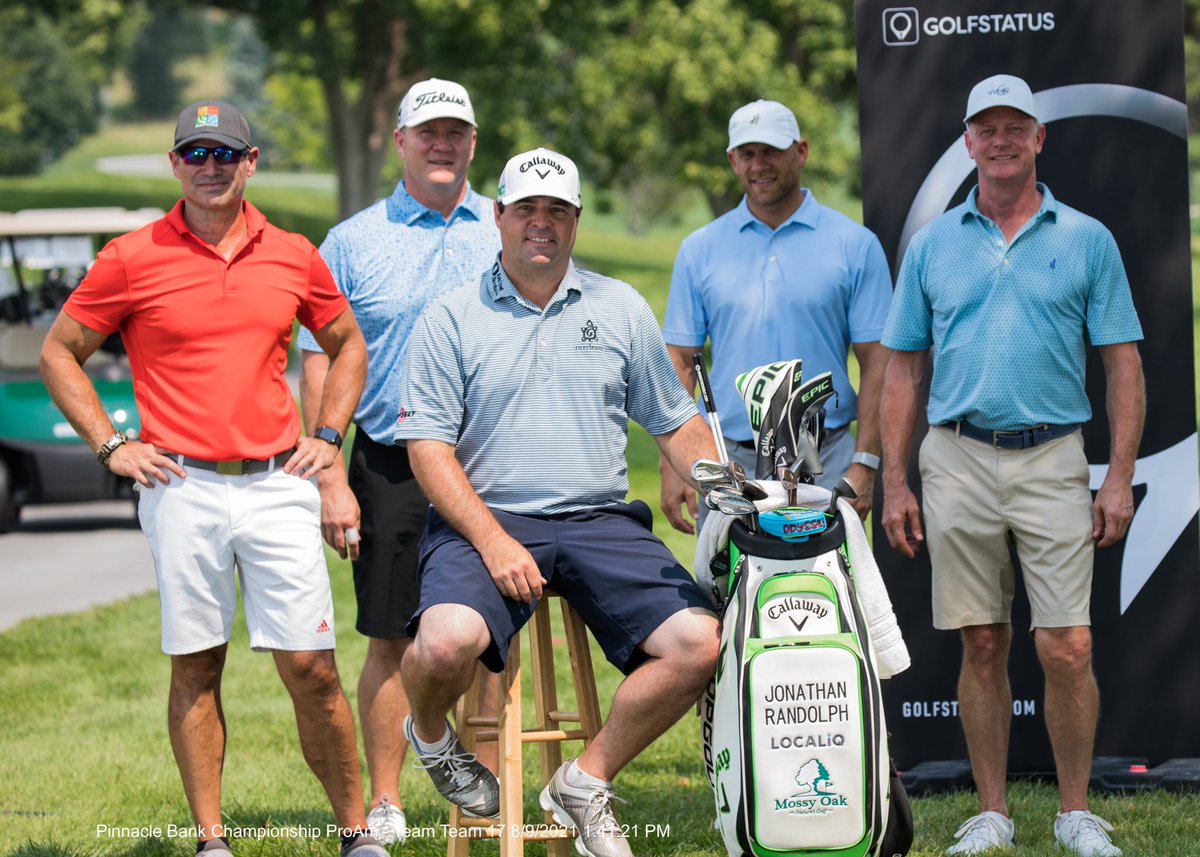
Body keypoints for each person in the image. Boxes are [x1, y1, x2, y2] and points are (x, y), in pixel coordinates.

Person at [39, 101, 385, 857]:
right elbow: (59, 351)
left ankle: (357, 835)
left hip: (275, 480)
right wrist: (109, 445)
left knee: (312, 668)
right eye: (194, 154)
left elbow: (347, 342)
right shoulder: (131, 255)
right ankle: (211, 840)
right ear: (175, 165)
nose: (210, 167)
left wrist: (328, 436)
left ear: (250, 161)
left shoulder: (291, 252)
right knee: (197, 662)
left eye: (224, 153)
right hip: (180, 486)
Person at [393, 147, 721, 857]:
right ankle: (427, 732)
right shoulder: (450, 317)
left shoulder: (619, 305)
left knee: (701, 644)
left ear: (574, 221)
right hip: (486, 517)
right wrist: (491, 540)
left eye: (558, 211)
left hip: (598, 518)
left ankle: (583, 779)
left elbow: (675, 421)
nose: (541, 223)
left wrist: (728, 488)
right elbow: (427, 451)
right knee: (443, 641)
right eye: (527, 209)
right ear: (498, 216)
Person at [879, 74, 1144, 857]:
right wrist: (895, 478)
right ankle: (992, 812)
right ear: (967, 142)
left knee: (1068, 645)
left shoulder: (1085, 237)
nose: (999, 141)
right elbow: (900, 370)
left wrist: (1120, 474)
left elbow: (1123, 365)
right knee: (983, 640)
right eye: (985, 129)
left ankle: (1073, 812)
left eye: (1014, 128)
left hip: (1054, 455)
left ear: (1039, 138)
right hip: (955, 455)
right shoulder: (932, 242)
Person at [297, 76, 502, 845]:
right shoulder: (353, 240)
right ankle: (386, 800)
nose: (443, 144)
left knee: (487, 633)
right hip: (388, 461)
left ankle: (485, 792)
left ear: (473, 144)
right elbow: (318, 356)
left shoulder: (507, 227)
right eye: (429, 132)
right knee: (391, 635)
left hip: (489, 458)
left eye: (457, 133)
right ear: (402, 141)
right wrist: (327, 472)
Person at [661, 99, 893, 530]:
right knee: (732, 593)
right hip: (729, 461)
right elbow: (678, 362)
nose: (759, 164)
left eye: (771, 151)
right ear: (732, 161)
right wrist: (675, 465)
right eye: (747, 153)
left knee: (829, 592)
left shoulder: (854, 245)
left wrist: (865, 462)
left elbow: (878, 362)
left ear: (800, 152)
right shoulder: (700, 249)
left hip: (826, 456)